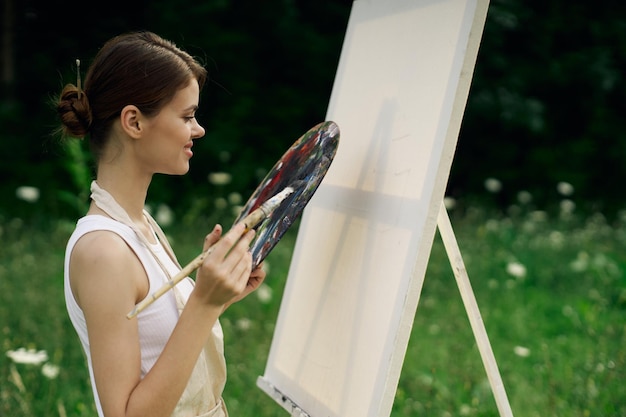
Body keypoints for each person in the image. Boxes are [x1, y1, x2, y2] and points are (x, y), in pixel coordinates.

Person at [56, 31, 266, 417]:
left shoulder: (141, 226)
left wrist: (217, 295)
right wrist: (202, 302)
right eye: (187, 116)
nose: (198, 129)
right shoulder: (103, 251)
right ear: (134, 121)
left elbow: (158, 351)